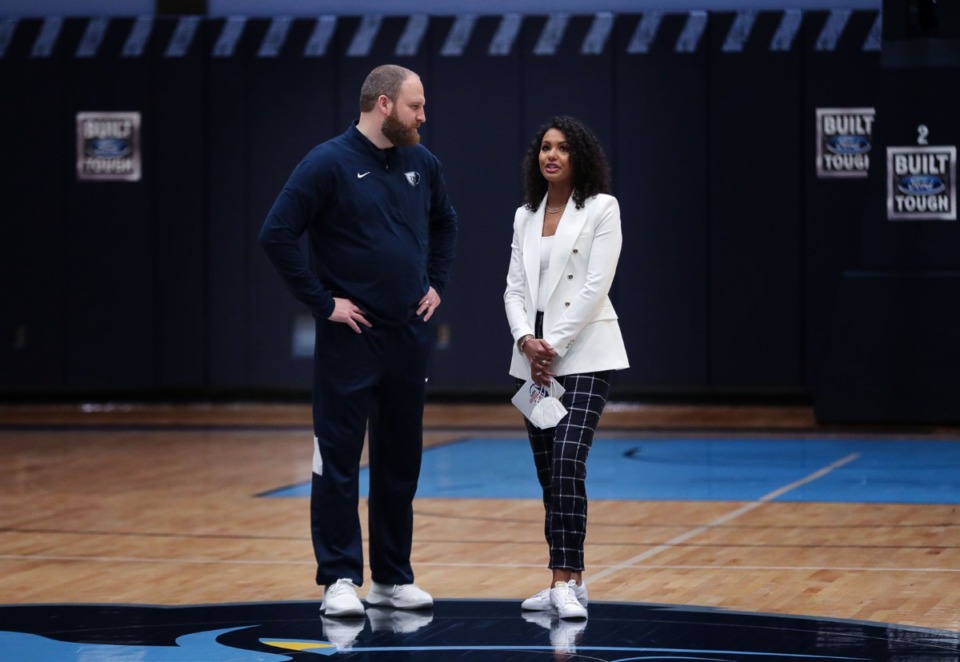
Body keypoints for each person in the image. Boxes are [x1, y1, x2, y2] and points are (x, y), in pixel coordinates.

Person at [258, 64, 457, 618]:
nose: (424, 115)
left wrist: (436, 282)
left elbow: (447, 222)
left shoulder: (423, 162)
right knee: (339, 461)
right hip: (350, 339)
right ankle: (340, 577)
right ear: (385, 105)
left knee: (400, 462)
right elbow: (276, 233)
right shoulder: (327, 162)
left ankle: (391, 579)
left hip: (407, 338)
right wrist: (324, 303)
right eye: (416, 106)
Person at [504, 115, 629, 620]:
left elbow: (594, 286)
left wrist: (550, 344)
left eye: (561, 148)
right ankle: (571, 582)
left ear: (579, 155)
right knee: (548, 473)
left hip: (584, 354)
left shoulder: (602, 208)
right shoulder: (524, 215)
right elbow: (513, 287)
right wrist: (524, 341)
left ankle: (561, 579)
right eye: (544, 148)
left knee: (567, 459)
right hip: (532, 364)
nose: (550, 156)